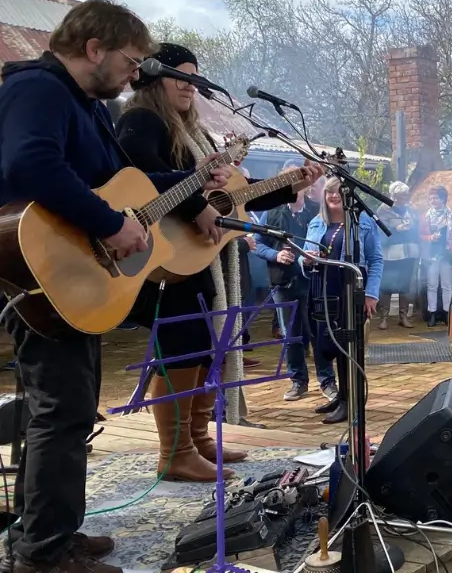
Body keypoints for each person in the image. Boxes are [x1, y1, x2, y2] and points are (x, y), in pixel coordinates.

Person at [0, 0, 234, 573]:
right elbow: (29, 164)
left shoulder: (89, 107)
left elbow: (120, 184)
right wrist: (109, 224)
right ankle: (44, 553)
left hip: (76, 277)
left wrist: (195, 180)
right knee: (61, 412)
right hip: (42, 267)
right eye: (131, 62)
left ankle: (54, 531)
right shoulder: (39, 88)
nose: (137, 75)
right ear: (94, 48)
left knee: (71, 411)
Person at [116, 42, 322, 479]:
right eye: (181, 77)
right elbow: (141, 178)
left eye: (194, 78)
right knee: (182, 348)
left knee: (204, 346)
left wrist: (290, 184)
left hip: (198, 257)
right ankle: (175, 453)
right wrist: (197, 209)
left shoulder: (196, 133)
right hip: (164, 255)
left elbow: (229, 195)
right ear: (155, 77)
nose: (190, 87)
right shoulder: (141, 119)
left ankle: (197, 439)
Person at [304, 176, 384, 424]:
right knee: (329, 345)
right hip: (321, 289)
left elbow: (376, 259)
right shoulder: (317, 222)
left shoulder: (364, 223)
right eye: (329, 192)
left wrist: (370, 294)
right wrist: (304, 260)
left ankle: (352, 403)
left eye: (339, 191)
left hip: (349, 290)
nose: (333, 195)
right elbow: (303, 257)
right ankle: (341, 397)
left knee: (349, 347)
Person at [256, 188, 336, 404]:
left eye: (297, 184)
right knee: (291, 335)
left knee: (318, 332)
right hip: (283, 282)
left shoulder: (316, 210)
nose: (293, 189)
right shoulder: (271, 212)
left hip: (314, 281)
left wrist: (320, 253)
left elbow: (331, 238)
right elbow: (257, 243)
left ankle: (327, 381)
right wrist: (276, 254)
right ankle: (298, 380)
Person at [376, 181, 420, 329]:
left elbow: (417, 227)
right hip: (390, 254)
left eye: (406, 196)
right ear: (394, 195)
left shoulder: (410, 209)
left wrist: (411, 226)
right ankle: (384, 318)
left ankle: (403, 317)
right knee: (386, 286)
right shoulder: (383, 210)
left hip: (408, 252)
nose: (405, 199)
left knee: (405, 285)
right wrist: (396, 228)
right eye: (402, 196)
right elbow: (379, 230)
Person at [419, 185, 452, 327]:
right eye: (431, 198)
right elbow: (420, 236)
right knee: (432, 285)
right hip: (432, 255)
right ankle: (432, 314)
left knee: (447, 285)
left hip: (447, 254)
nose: (432, 200)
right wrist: (430, 237)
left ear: (443, 199)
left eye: (435, 198)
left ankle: (447, 313)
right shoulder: (425, 217)